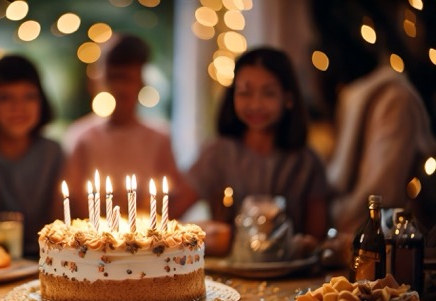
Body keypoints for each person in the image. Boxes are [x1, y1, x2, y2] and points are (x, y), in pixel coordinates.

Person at [175, 47, 330, 257]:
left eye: (268, 93)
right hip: (226, 273)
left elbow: (317, 237)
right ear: (233, 96)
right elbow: (173, 210)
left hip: (290, 277)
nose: (255, 104)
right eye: (245, 92)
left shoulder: (306, 162)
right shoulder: (217, 154)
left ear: (288, 98)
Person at [310, 0, 436, 239]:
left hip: (392, 243)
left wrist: (325, 218)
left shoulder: (394, 99)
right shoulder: (351, 97)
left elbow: (383, 193)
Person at [62, 33, 190, 219]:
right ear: (100, 80)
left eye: (128, 79)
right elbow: (76, 203)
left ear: (141, 82)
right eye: (114, 78)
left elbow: (168, 197)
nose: (121, 88)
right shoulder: (82, 137)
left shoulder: (159, 139)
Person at [0, 55, 64, 259]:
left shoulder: (53, 153)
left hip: (45, 259)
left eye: (29, 96)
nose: (18, 106)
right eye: (5, 97)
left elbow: (59, 219)